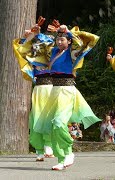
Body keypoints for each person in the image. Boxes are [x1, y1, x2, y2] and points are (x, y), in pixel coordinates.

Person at [33, 20, 101, 170]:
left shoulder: (72, 53)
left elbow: (88, 40)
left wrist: (68, 30)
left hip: (67, 90)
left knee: (58, 122)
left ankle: (68, 151)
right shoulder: (53, 52)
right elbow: (39, 48)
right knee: (53, 126)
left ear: (69, 41)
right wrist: (36, 34)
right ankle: (61, 157)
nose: (59, 41)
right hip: (54, 91)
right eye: (57, 38)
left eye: (62, 39)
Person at [12, 17, 55, 161]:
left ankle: (49, 146)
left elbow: (53, 46)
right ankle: (39, 149)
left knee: (50, 117)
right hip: (39, 90)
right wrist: (30, 36)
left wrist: (39, 34)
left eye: (39, 45)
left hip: (51, 88)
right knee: (36, 118)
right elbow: (21, 49)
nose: (37, 48)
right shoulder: (32, 56)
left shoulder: (52, 53)